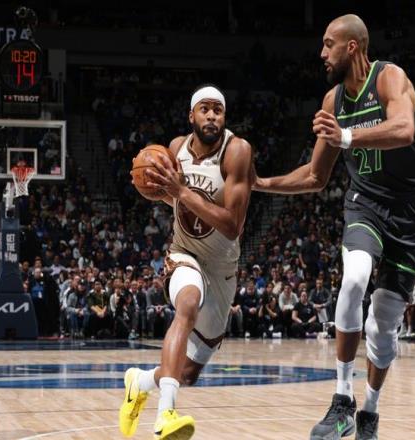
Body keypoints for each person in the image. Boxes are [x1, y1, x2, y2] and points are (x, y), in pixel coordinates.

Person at [253, 14, 415, 440]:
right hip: (365, 204)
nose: (322, 52)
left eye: (328, 44)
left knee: (382, 326)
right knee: (353, 279)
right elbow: (316, 176)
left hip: (412, 213)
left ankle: (369, 410)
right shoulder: (332, 100)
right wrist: (260, 183)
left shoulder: (388, 77)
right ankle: (341, 401)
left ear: (352, 46)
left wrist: (348, 136)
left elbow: (404, 128)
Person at [119, 84, 253, 440]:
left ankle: (139, 382)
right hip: (184, 253)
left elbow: (232, 225)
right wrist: (160, 190)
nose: (211, 116)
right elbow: (176, 201)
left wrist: (180, 192)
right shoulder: (175, 149)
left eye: (218, 110)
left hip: (222, 268)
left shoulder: (237, 152)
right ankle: (166, 414)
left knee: (189, 372)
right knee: (188, 303)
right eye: (204, 109)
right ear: (191, 115)